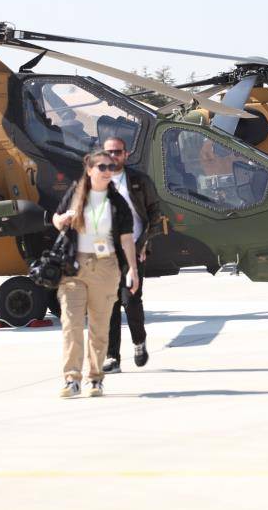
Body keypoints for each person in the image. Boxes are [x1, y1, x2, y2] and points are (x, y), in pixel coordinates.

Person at [52, 150, 139, 398]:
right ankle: (72, 379)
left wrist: (132, 269)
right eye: (102, 167)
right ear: (89, 170)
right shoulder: (75, 193)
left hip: (105, 267)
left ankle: (95, 378)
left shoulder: (117, 202)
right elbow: (56, 220)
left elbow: (126, 239)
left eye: (111, 167)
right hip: (74, 267)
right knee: (71, 325)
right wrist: (64, 219)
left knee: (99, 328)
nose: (107, 171)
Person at [101, 137, 163, 374]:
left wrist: (144, 243)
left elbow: (155, 213)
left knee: (130, 301)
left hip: (134, 251)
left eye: (117, 152)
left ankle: (139, 342)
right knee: (110, 305)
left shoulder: (139, 181)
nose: (113, 156)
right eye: (109, 152)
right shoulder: (98, 182)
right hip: (105, 254)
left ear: (126, 154)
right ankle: (112, 356)